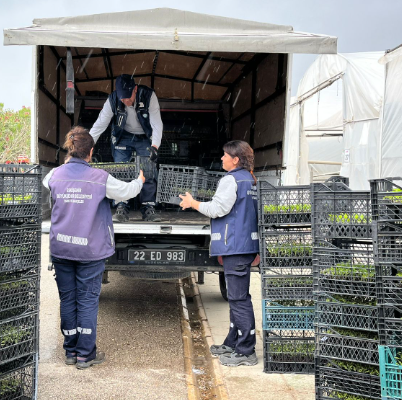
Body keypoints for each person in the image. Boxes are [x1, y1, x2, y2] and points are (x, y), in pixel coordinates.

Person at [43, 126, 145, 369]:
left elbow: (50, 185)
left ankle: (70, 351)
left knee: (68, 300)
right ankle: (85, 355)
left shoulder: (54, 175)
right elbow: (127, 191)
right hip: (89, 251)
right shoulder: (100, 178)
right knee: (87, 300)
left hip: (62, 249)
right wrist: (140, 180)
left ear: (69, 151)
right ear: (90, 153)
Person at [179, 140, 259, 367]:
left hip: (235, 246)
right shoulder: (250, 179)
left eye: (225, 155)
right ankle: (233, 342)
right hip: (244, 245)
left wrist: (193, 203)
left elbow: (218, 209)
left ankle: (246, 351)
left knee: (239, 299)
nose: (222, 158)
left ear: (236, 159)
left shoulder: (231, 179)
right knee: (238, 297)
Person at [89, 74, 163, 223]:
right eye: (122, 97)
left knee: (147, 169)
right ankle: (121, 206)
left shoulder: (149, 96)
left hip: (144, 136)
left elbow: (156, 123)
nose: (125, 101)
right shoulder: (113, 100)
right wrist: (86, 145)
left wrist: (155, 146)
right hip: (123, 136)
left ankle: (148, 207)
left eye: (128, 97)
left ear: (135, 89)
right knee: (121, 169)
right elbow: (100, 124)